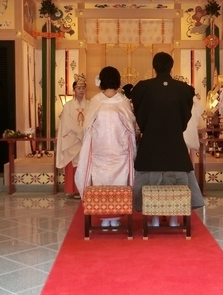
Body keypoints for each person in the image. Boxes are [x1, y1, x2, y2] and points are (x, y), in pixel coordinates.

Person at [131, 52, 205, 227]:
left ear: (154, 67)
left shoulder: (143, 87)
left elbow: (138, 111)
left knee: (151, 180)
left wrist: (148, 126)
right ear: (171, 66)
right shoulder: (183, 88)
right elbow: (185, 115)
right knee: (177, 180)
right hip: (175, 146)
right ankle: (174, 217)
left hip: (150, 146)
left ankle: (154, 217)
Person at [75, 66, 136, 229]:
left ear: (101, 81)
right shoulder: (123, 101)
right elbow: (131, 127)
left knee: (101, 183)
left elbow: (87, 128)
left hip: (100, 152)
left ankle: (104, 217)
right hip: (119, 152)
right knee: (118, 184)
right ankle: (116, 216)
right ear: (117, 81)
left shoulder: (95, 101)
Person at [56, 79, 89, 199]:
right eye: (78, 88)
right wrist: (79, 132)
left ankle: (84, 189)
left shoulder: (90, 104)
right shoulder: (68, 106)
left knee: (84, 164)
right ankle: (73, 189)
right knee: (73, 164)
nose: (81, 90)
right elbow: (67, 122)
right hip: (72, 139)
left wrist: (84, 132)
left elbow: (91, 120)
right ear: (74, 89)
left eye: (83, 88)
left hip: (85, 139)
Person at [183, 94, 204, 166]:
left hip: (186, 133)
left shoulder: (185, 107)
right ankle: (191, 172)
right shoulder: (194, 107)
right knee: (191, 157)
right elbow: (200, 106)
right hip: (189, 133)